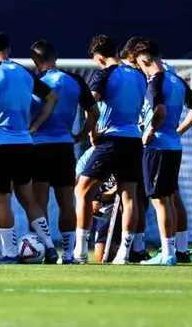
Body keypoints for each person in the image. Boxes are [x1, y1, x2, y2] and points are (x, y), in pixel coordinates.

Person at [0, 32, 59, 264]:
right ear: (8, 50)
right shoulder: (25, 72)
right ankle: (49, 247)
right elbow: (52, 98)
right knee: (27, 197)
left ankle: (9, 252)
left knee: (1, 198)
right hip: (25, 144)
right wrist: (35, 125)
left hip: (0, 145)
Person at [73, 35, 147, 264]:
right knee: (129, 196)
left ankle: (79, 252)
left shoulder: (104, 74)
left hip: (111, 139)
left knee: (82, 190)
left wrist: (90, 132)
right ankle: (125, 254)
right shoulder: (137, 74)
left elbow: (91, 103)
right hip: (134, 139)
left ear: (98, 57)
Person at [133, 39, 192, 266]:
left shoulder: (156, 80)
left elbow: (160, 110)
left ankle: (167, 254)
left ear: (144, 60)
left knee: (159, 201)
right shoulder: (176, 79)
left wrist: (149, 131)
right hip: (173, 146)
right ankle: (171, 251)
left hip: (158, 147)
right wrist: (179, 130)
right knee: (169, 198)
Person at [29, 39, 99, 264]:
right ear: (56, 57)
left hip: (38, 147)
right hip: (64, 147)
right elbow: (94, 112)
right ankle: (68, 254)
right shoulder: (75, 80)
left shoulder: (35, 82)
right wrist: (80, 135)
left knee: (39, 201)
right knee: (66, 202)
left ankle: (47, 250)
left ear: (35, 61)